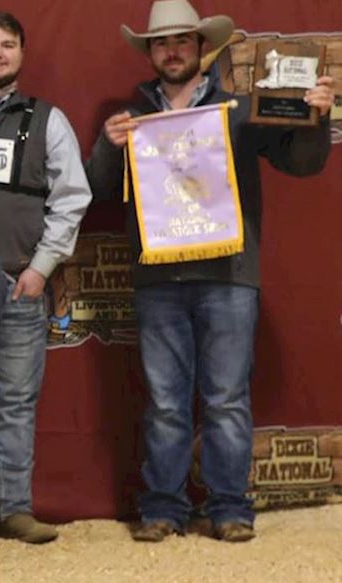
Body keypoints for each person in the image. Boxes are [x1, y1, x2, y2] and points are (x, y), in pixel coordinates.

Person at [85, 0, 333, 544]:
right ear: (150, 53)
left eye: (182, 41)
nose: (171, 50)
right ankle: (164, 508)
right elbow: (99, 190)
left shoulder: (242, 109)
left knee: (225, 398)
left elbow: (304, 161)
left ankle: (229, 507)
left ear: (202, 48)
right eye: (161, 43)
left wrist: (317, 116)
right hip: (159, 278)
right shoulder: (134, 119)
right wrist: (108, 147)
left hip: (228, 275)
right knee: (166, 402)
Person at [0, 10, 94, 545]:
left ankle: (14, 509)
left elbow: (72, 199)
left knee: (15, 403)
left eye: (7, 45)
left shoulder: (47, 120)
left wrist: (42, 269)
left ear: (21, 54)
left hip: (19, 284)